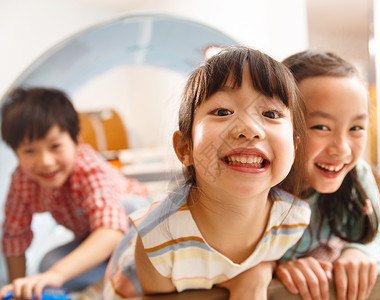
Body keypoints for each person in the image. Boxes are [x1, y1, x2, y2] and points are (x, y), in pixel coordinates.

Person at [103, 46, 311, 300]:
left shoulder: (294, 221)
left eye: (270, 114)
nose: (249, 128)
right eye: (223, 112)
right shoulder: (158, 238)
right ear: (185, 147)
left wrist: (263, 268)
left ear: (295, 146)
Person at [0, 88, 151, 299]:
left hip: (141, 231)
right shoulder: (22, 179)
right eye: (29, 151)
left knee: (130, 207)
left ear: (77, 142)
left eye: (55, 146)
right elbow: (14, 236)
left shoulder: (89, 167)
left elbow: (111, 231)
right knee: (48, 265)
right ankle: (114, 277)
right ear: (16, 153)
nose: (45, 162)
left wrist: (57, 274)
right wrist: (19, 287)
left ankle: (137, 272)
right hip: (94, 238)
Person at [275, 50, 380, 300]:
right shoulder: (256, 184)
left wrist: (360, 252)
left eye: (356, 128)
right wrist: (273, 269)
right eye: (321, 127)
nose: (341, 148)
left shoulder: (357, 174)